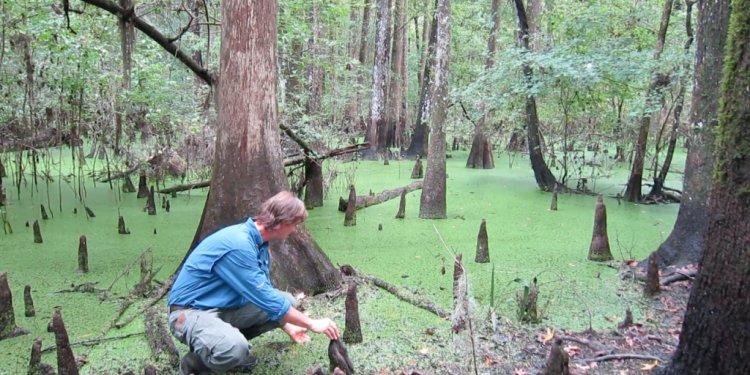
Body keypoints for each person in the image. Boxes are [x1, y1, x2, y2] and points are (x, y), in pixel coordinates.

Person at [167, 191, 340, 374]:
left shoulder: (259, 244)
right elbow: (265, 298)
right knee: (233, 349)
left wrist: (289, 326)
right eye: (294, 224)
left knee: (288, 301)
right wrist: (312, 323)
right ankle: (197, 364)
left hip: (223, 308)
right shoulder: (239, 244)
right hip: (189, 313)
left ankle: (223, 347)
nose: (294, 230)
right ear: (281, 222)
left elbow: (267, 296)